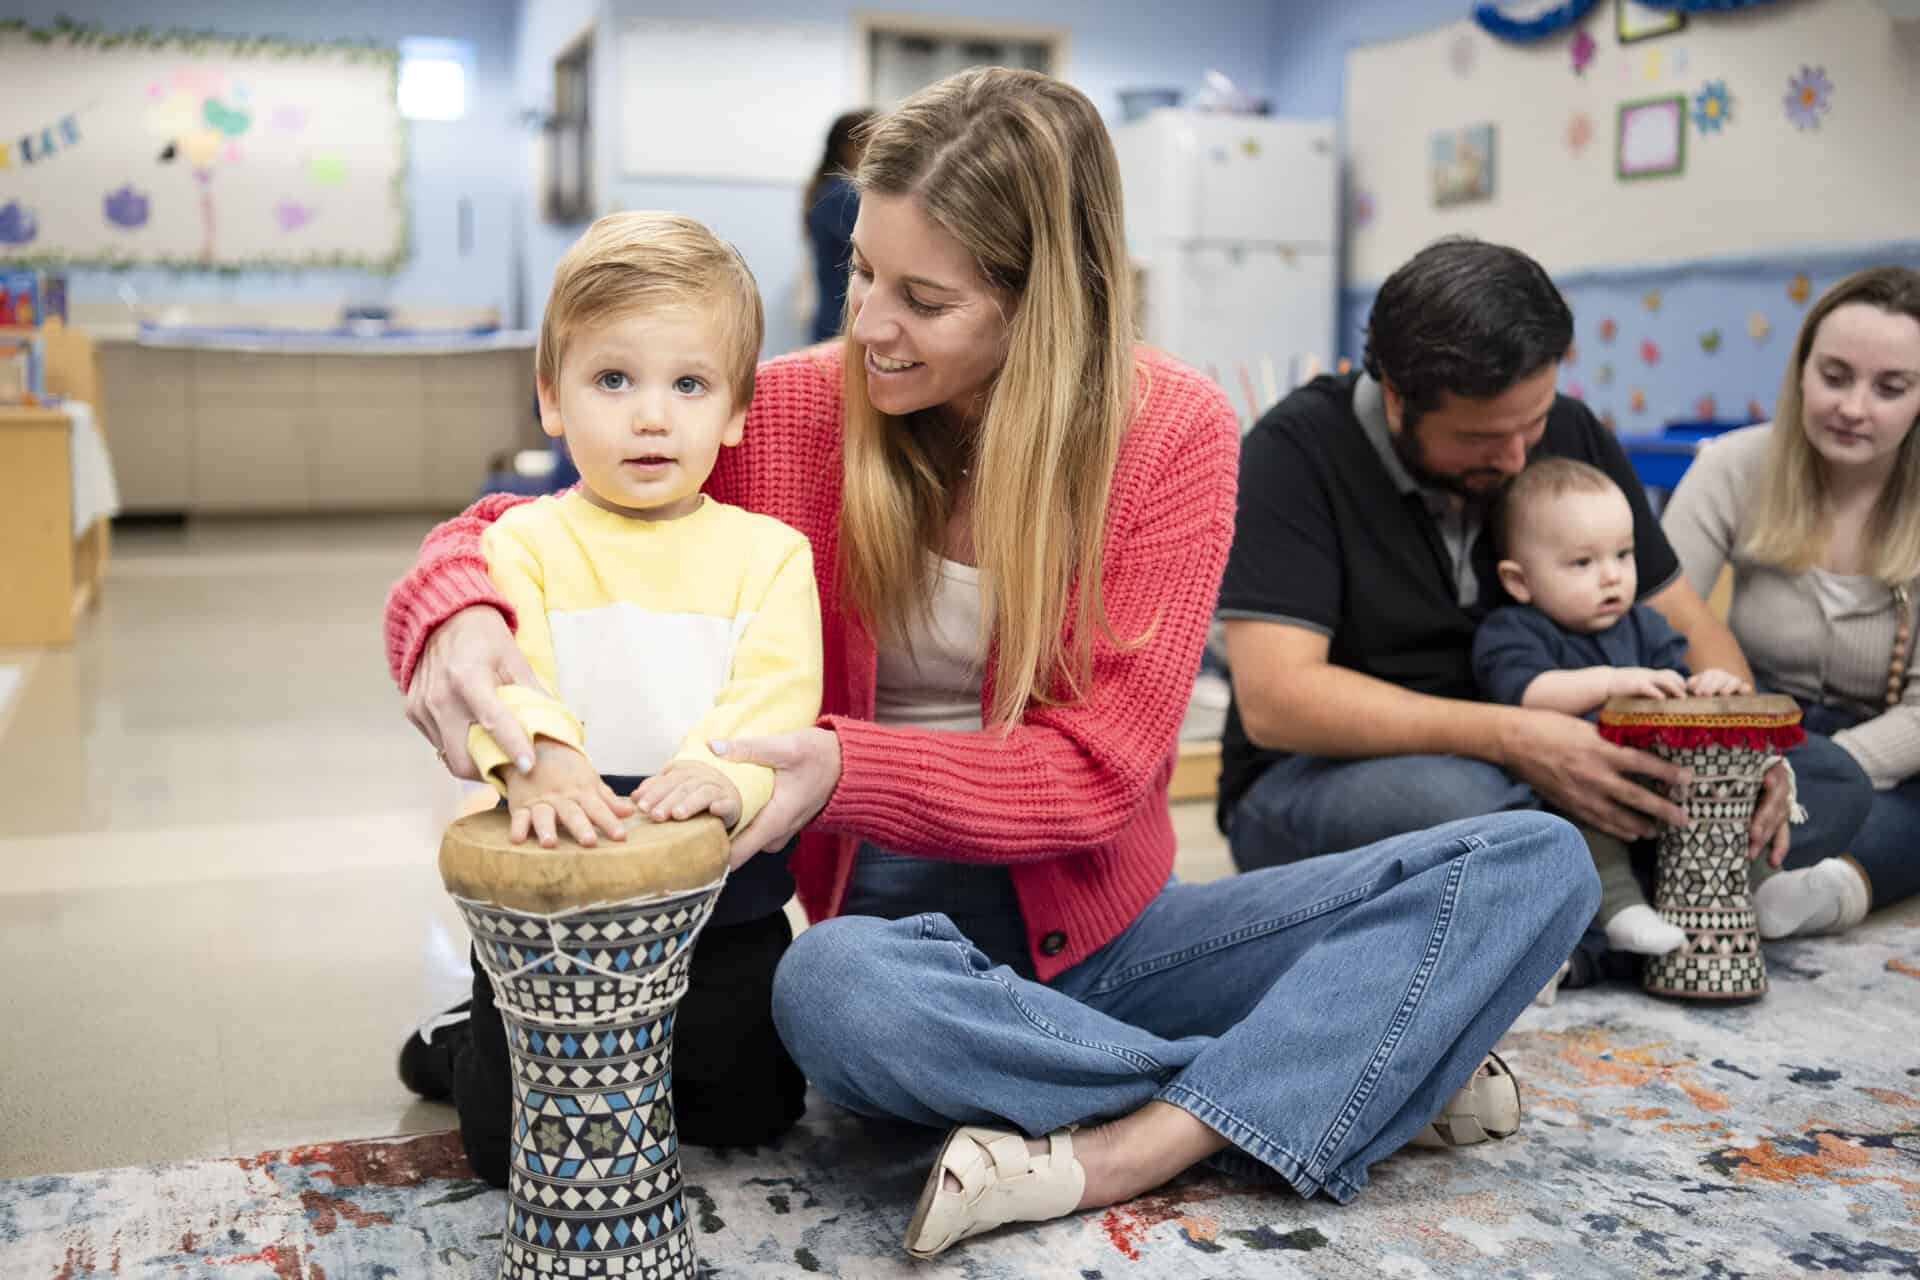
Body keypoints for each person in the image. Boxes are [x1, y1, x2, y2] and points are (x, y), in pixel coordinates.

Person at [385, 70, 1596, 1260]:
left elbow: (1104, 774)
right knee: (828, 993)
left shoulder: (1170, 431)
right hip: (899, 948)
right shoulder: (800, 409)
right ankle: (1333, 1070)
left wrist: (838, 764)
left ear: (1041, 303)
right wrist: (455, 609)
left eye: (922, 297)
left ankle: (1128, 1144)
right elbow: (528, 525)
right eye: (863, 270)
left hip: (1115, 936)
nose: (868, 324)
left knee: (1536, 860)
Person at [1217, 238, 1873, 896]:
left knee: (1829, 777)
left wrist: (1742, 741)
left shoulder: (1570, 431)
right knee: (1472, 811)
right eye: (1479, 438)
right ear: (1395, 397)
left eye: (1530, 424)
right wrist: (1514, 737)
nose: (1513, 458)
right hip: (1333, 776)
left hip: (1550, 758)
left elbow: (1691, 625)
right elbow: (1279, 702)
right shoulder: (1294, 451)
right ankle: (1624, 892)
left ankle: (1594, 901)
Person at [394, 211, 822, 1185]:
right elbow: (514, 674)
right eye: (613, 379)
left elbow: (778, 692)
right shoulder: (523, 543)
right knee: (511, 1150)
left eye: (689, 384)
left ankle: (658, 1045)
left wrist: (717, 776)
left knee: (749, 1111)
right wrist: (542, 755)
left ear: (738, 410)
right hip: (561, 883)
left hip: (722, 892)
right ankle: (475, 1035)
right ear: (552, 397)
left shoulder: (770, 553)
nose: (651, 415)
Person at [1472, 457, 1859, 957]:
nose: (1611, 577)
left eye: (1623, 555)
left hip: (1667, 778)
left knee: (1735, 795)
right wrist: (1612, 682)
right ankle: (1620, 910)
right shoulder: (1513, 632)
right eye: (1582, 563)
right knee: (1575, 823)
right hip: (1581, 787)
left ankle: (1765, 890)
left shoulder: (1645, 628)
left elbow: (1680, 686)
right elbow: (1528, 693)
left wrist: (1712, 689)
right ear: (1519, 580)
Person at [1662, 265, 1920, 931]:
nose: (1854, 407)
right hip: (1752, 726)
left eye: (1891, 388)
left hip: (1884, 756)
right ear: (1800, 372)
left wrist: (1807, 778)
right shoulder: (1731, 466)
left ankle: (1828, 890)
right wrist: (1754, 758)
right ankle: (1767, 867)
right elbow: (1654, 617)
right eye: (1834, 376)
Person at [804, 108, 875, 343]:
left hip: (835, 318)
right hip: (840, 323)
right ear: (849, 147)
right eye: (874, 143)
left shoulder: (827, 191)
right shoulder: (842, 196)